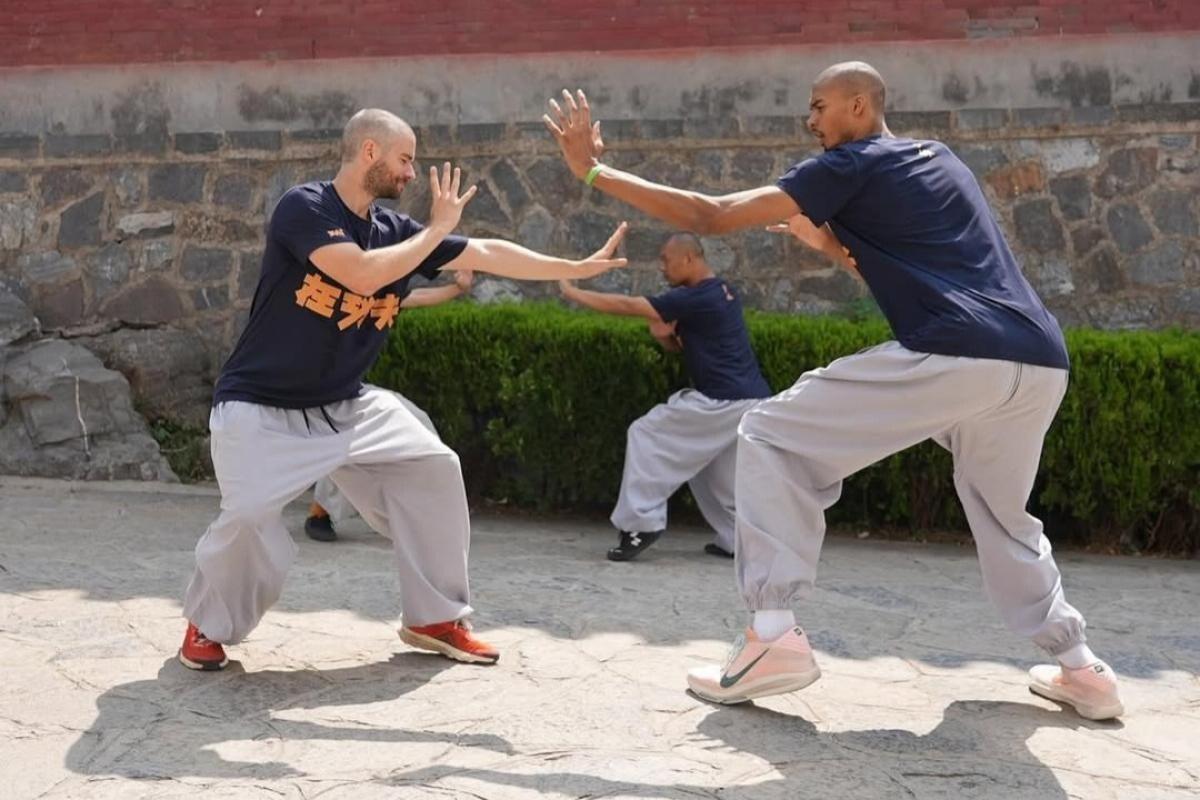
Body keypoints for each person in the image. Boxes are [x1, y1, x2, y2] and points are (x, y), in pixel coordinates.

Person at [544, 62, 1123, 720]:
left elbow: (711, 214)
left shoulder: (847, 166)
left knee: (767, 431)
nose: (811, 121)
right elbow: (892, 266)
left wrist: (592, 170)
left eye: (819, 106)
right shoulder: (940, 160)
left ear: (857, 104)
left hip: (958, 353)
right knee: (1003, 515)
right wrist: (824, 239)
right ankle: (1082, 669)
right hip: (1039, 360)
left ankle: (771, 636)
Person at [179, 108, 626, 672]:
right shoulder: (305, 208)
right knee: (247, 518)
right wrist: (436, 230)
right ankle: (208, 624)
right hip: (261, 408)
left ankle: (435, 617)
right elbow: (361, 275)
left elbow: (484, 252)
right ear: (370, 151)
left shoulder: (395, 232)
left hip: (347, 403)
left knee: (433, 467)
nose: (412, 173)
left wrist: (574, 267)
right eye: (406, 159)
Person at [559, 232, 772, 561]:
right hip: (749, 400)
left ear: (689, 258)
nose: (662, 267)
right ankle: (738, 539)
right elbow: (684, 345)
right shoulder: (722, 293)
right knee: (711, 471)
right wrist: (665, 339)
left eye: (666, 259)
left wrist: (574, 291)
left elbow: (629, 306)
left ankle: (641, 525)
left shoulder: (698, 297)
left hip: (723, 400)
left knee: (645, 433)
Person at [304, 271, 470, 543]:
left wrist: (457, 289)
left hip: (346, 391)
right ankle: (320, 512)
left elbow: (415, 298)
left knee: (417, 421)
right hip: (308, 393)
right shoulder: (321, 292)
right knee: (344, 439)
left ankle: (415, 510)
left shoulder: (378, 295)